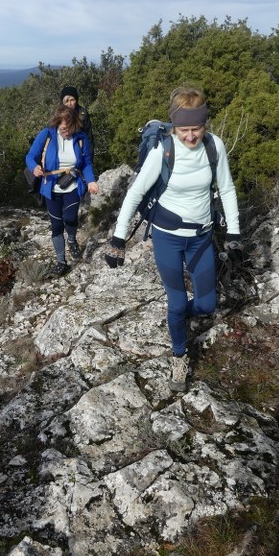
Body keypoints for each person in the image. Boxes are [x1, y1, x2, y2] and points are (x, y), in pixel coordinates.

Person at [105, 86, 242, 391]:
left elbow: (228, 189)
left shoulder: (214, 147)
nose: (191, 136)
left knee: (206, 304)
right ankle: (179, 356)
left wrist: (234, 232)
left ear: (205, 125)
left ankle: (177, 319)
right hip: (168, 237)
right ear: (175, 126)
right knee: (177, 302)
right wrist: (118, 239)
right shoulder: (163, 150)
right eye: (184, 129)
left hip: (201, 237)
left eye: (196, 128)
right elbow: (136, 192)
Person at [26, 104, 98, 276]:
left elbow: (87, 163)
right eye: (64, 128)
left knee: (70, 217)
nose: (67, 132)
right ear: (57, 124)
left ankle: (72, 240)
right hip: (51, 187)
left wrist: (91, 181)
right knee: (57, 225)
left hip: (72, 185)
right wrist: (34, 167)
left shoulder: (80, 138)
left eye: (70, 128)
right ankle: (61, 261)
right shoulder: (47, 135)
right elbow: (30, 156)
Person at [59, 85, 95, 160]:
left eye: (72, 100)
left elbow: (89, 136)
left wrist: (89, 157)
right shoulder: (59, 114)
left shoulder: (83, 114)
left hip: (80, 150)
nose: (69, 103)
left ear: (76, 100)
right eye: (66, 101)